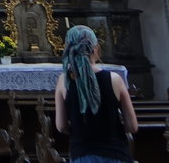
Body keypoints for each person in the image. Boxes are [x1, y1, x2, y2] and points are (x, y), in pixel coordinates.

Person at [54, 25, 137, 162]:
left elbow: (61, 125)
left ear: (68, 49)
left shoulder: (64, 81)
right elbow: (132, 126)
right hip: (116, 154)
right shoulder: (115, 79)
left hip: (82, 154)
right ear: (96, 48)